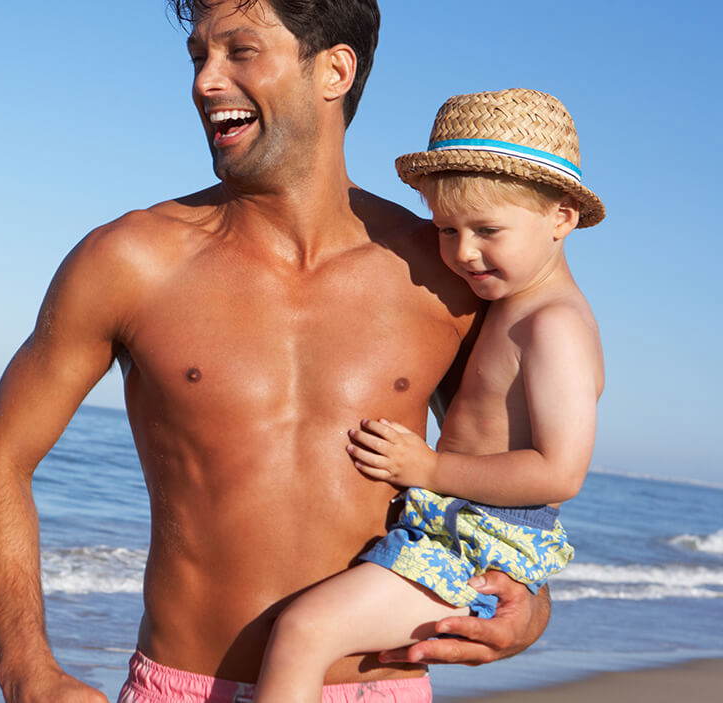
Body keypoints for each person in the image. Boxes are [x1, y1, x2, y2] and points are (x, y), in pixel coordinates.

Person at [0, 2, 552, 702]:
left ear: (334, 70)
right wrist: (27, 668)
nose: (205, 82)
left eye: (240, 51)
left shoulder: (442, 277)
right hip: (183, 687)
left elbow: (504, 476)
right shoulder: (129, 261)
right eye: (197, 56)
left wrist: (530, 603)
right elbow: (0, 460)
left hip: (377, 689)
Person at [251, 89, 603, 702]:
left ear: (562, 218)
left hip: (478, 537)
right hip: (451, 524)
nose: (463, 252)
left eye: (487, 230)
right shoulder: (506, 308)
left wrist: (429, 467)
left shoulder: (554, 326)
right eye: (447, 229)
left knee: (304, 632)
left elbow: (561, 473)